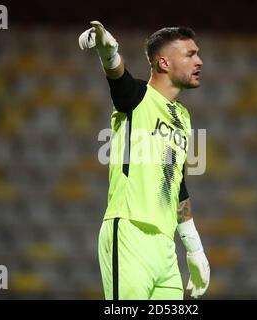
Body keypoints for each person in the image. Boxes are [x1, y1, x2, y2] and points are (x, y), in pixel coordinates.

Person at [79, 21, 210, 300]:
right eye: (190, 54)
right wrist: (108, 52)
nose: (199, 61)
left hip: (165, 247)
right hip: (129, 233)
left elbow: (179, 186)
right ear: (164, 62)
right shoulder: (137, 97)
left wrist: (194, 247)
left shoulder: (183, 117)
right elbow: (118, 79)